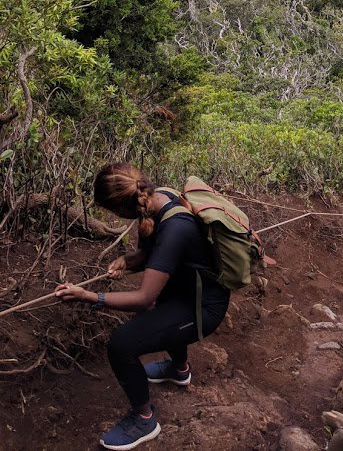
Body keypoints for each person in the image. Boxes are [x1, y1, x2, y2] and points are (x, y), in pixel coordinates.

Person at [56, 162, 230, 450]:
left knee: (121, 344)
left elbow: (143, 299)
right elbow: (154, 255)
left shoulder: (175, 227)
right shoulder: (156, 199)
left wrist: (91, 297)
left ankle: (143, 418)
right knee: (164, 305)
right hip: (187, 291)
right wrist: (129, 260)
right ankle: (178, 369)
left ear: (123, 208)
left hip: (204, 308)